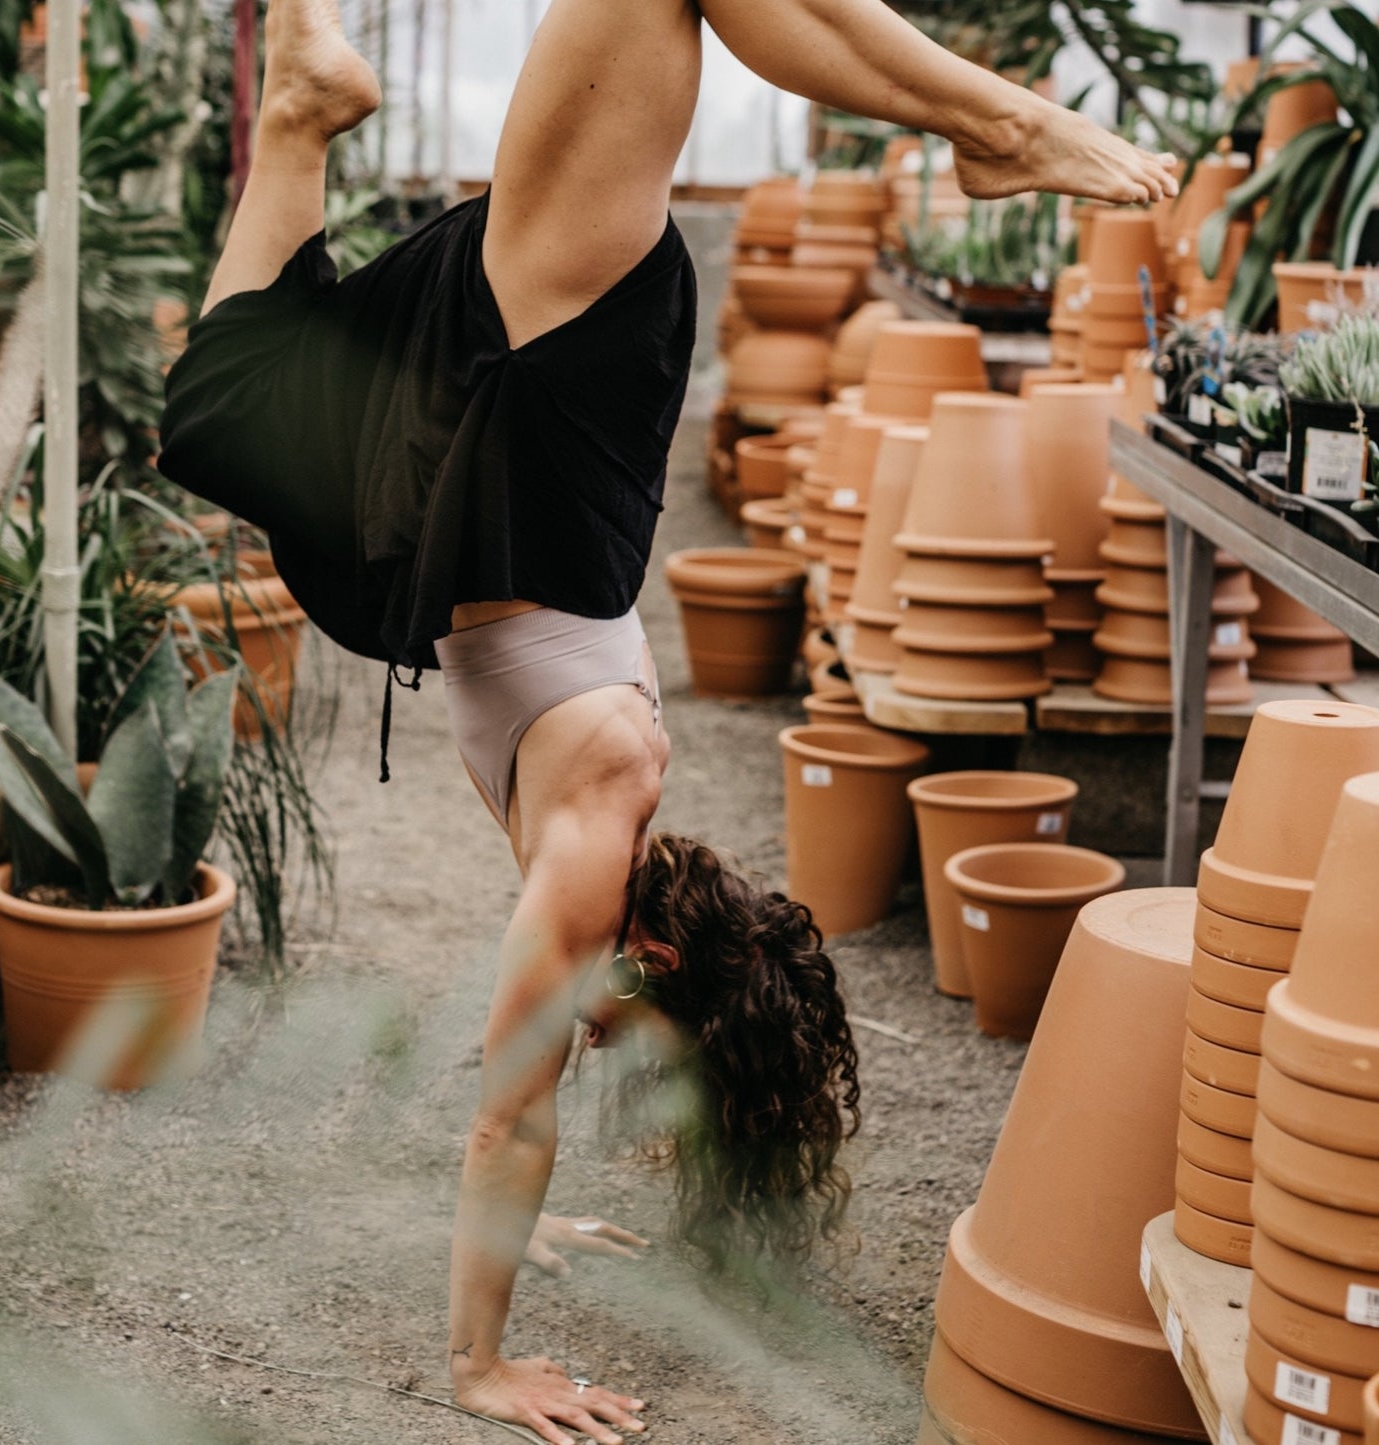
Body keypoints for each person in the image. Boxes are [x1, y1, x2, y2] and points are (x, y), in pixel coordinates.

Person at [158, 3, 1177, 1441]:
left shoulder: (597, 850)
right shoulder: (594, 831)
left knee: (218, 401)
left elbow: (541, 1085)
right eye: (646, 1052)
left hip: (511, 479)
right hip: (552, 409)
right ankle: (998, 124)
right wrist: (479, 1366)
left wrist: (525, 1222)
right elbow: (510, 1114)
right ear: (657, 961)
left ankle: (303, 104)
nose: (608, 1056)